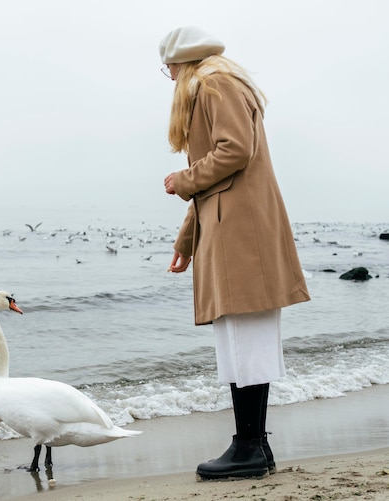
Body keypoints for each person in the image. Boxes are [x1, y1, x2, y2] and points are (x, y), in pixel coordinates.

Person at [158, 26, 311, 481]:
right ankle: (254, 445)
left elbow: (234, 151)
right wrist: (186, 243)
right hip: (230, 228)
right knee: (241, 339)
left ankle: (248, 446)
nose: (167, 77)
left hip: (240, 231)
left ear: (182, 61)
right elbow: (216, 181)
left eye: (167, 67)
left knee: (246, 339)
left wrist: (181, 180)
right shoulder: (214, 83)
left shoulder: (214, 82)